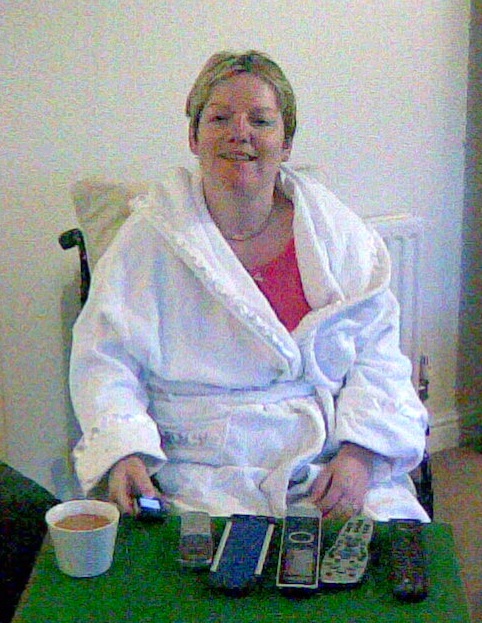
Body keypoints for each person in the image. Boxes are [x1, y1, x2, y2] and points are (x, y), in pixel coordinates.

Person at [70, 50, 430, 522]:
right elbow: (105, 359)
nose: (239, 132)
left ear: (286, 143)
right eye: (219, 118)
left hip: (327, 456)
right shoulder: (151, 236)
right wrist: (124, 452)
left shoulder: (336, 233)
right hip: (198, 463)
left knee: (391, 550)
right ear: (194, 137)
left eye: (260, 120)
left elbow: (377, 353)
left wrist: (362, 455)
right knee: (194, 563)